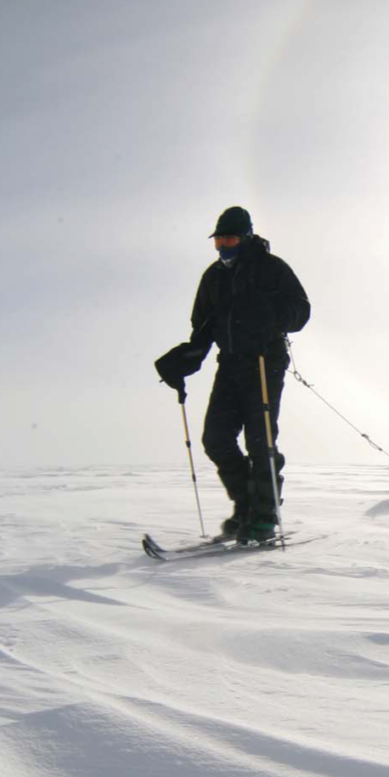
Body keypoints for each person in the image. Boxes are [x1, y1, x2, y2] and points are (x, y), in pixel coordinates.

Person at [155, 206, 310, 543]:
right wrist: (182, 362)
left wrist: (269, 316)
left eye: (231, 238)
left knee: (260, 441)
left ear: (246, 237)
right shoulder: (213, 277)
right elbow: (203, 329)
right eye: (219, 240)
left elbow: (301, 310)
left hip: (264, 361)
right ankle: (245, 508)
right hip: (230, 364)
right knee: (216, 438)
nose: (224, 246)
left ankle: (264, 517)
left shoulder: (271, 268)